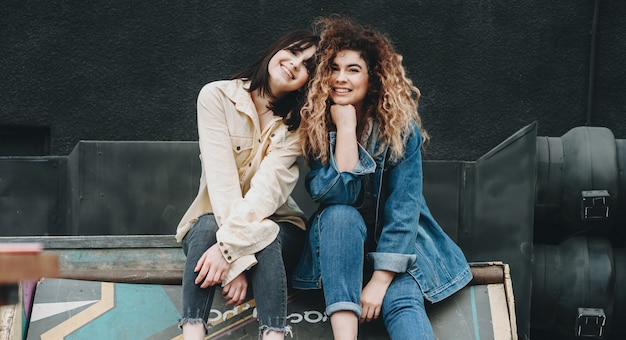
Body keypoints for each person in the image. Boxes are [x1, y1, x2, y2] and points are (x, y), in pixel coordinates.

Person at [292, 15, 473, 340]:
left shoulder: (401, 130)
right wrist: (346, 130)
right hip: (339, 252)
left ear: (372, 79)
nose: (340, 78)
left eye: (353, 69)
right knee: (339, 216)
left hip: (396, 252)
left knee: (401, 299)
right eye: (333, 68)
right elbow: (336, 198)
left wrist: (380, 280)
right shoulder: (317, 127)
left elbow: (405, 211)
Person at [175, 30, 318, 340]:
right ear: (276, 48)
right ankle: (193, 332)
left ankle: (273, 336)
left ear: (308, 81)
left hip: (279, 228)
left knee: (267, 231)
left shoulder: (298, 125)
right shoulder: (216, 96)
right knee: (206, 225)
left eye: (306, 64)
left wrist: (229, 251)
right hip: (213, 226)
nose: (294, 63)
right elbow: (222, 183)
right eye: (292, 51)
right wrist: (237, 259)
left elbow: (266, 195)